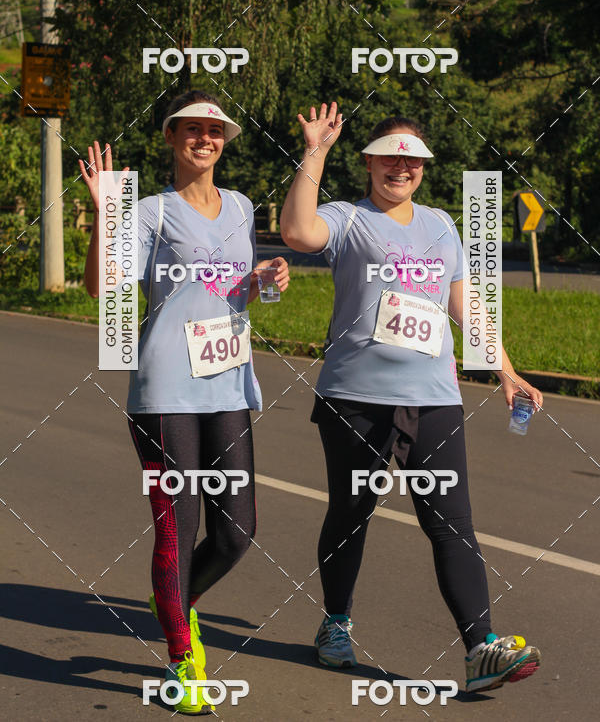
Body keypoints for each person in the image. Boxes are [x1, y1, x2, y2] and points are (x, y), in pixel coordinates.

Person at [279, 101, 543, 694]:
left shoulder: (443, 225)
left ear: (423, 168)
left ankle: (480, 649)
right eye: (389, 157)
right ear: (369, 162)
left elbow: (464, 306)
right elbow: (297, 232)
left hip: (434, 398)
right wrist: (314, 150)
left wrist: (505, 370)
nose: (401, 167)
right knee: (351, 514)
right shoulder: (346, 219)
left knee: (451, 524)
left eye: (413, 160)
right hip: (354, 398)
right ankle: (336, 623)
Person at [80, 90, 289, 713]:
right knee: (180, 527)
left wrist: (264, 281)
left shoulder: (244, 207)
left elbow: (229, 292)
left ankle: (173, 598)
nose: (205, 138)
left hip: (227, 385)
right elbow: (101, 288)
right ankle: (180, 658)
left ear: (225, 140)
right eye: (192, 129)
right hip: (165, 390)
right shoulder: (148, 212)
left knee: (238, 533)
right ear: (171, 138)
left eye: (215, 129)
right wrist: (105, 218)